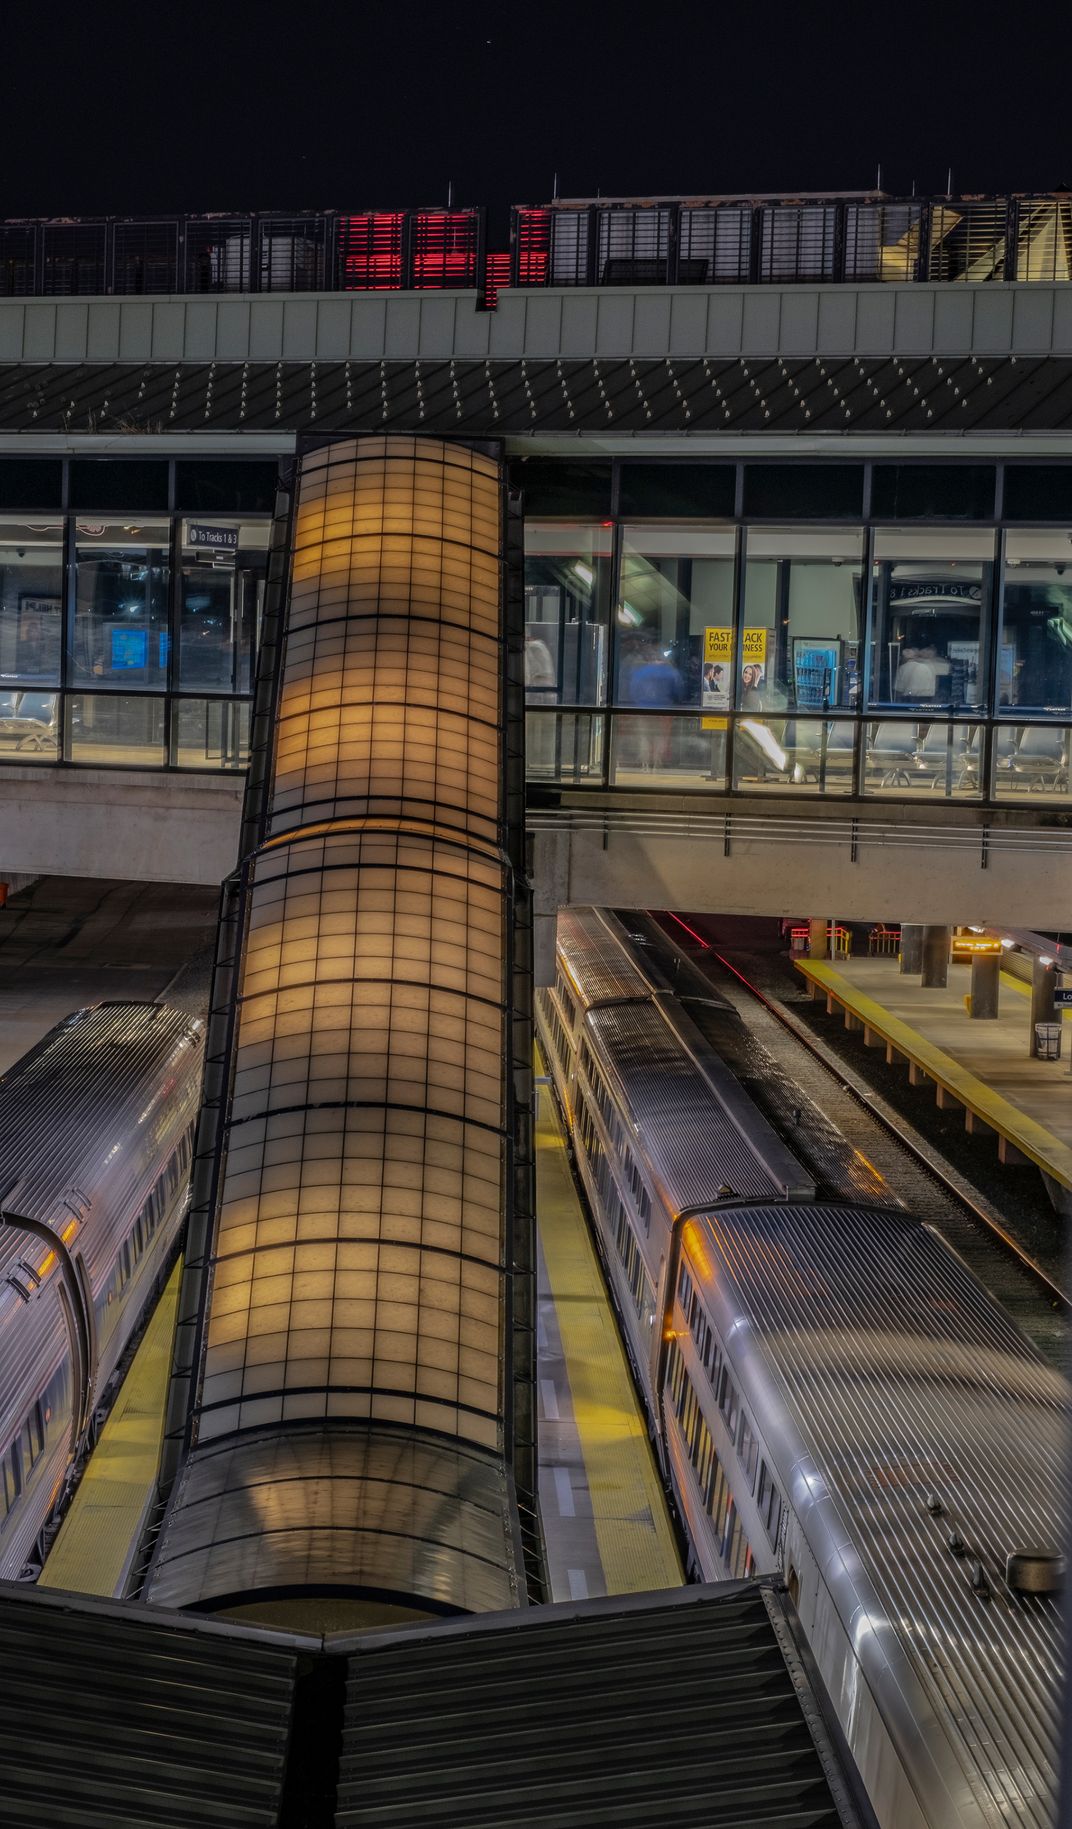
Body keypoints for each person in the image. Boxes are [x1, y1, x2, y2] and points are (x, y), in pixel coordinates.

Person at [628, 645, 684, 771]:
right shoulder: (671, 672)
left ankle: (645, 764)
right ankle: (656, 764)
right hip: (663, 710)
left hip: (643, 710)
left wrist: (639, 702)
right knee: (660, 737)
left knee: (644, 737)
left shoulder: (641, 672)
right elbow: (679, 691)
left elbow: (633, 690)